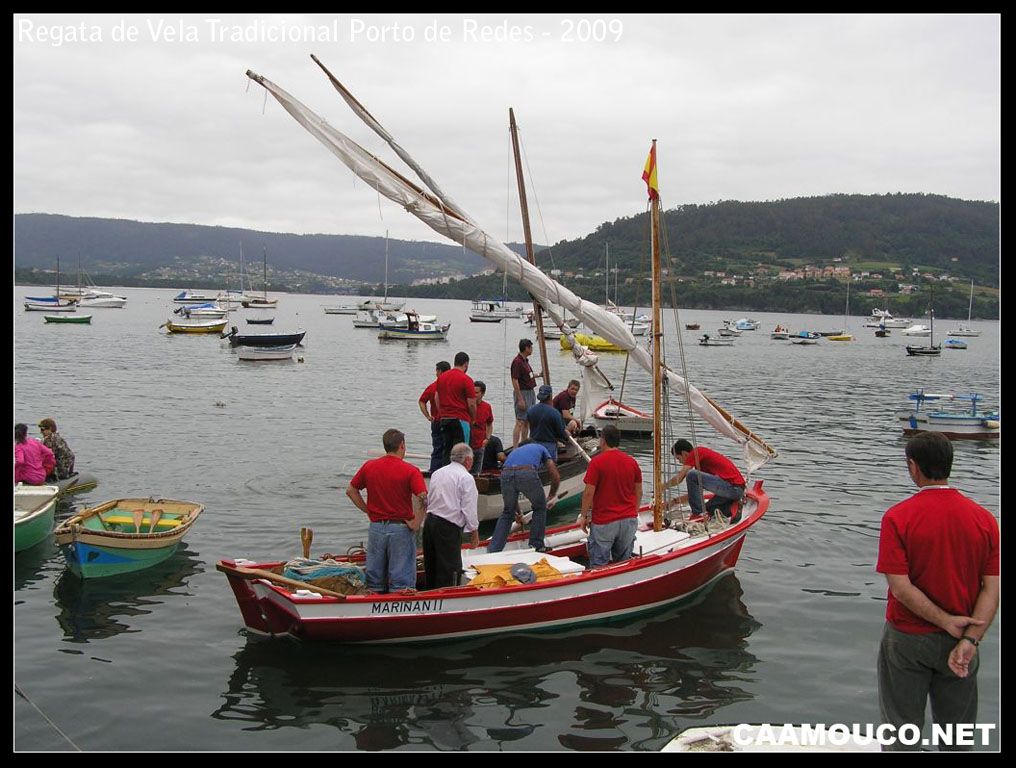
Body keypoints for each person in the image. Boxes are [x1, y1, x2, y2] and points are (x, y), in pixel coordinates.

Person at [876, 431, 999, 751]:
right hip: (962, 641)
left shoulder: (897, 518)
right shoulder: (985, 520)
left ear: (913, 467)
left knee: (903, 733)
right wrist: (970, 638)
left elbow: (900, 588)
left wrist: (944, 620)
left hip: (907, 639)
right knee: (958, 738)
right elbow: (992, 588)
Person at [346, 429, 428, 594]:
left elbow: (351, 490)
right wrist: (416, 523)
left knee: (374, 581)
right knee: (401, 582)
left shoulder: (370, 466)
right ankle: (400, 609)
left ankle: (374, 606)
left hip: (376, 527)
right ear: (402, 445)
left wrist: (368, 510)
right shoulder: (411, 470)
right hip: (400, 528)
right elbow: (423, 498)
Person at [579, 425, 643, 568]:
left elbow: (588, 493)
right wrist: (634, 511)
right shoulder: (631, 462)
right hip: (628, 520)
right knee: (623, 564)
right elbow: (638, 491)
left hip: (604, 522)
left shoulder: (597, 462)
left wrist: (584, 516)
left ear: (603, 440)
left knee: (598, 565)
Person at [423, 442, 480, 589]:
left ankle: (430, 593)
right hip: (447, 526)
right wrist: (474, 531)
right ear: (468, 460)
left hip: (430, 523)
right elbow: (469, 507)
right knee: (449, 569)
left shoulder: (437, 473)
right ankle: (446, 597)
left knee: (431, 565)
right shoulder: (465, 477)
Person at [487, 440, 560, 553]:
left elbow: (513, 485)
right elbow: (554, 474)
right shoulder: (541, 448)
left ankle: (494, 549)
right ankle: (537, 545)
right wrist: (551, 495)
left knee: (507, 512)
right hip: (526, 472)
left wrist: (518, 512)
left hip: (505, 473)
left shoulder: (515, 452)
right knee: (540, 508)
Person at [667, 439, 745, 521]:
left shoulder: (696, 452)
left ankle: (698, 514)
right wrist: (674, 501)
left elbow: (679, 478)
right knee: (709, 508)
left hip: (734, 488)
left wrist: (662, 487)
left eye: (679, 458)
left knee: (691, 474)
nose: (680, 462)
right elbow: (695, 494)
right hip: (733, 490)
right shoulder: (700, 467)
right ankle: (733, 508)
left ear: (684, 454)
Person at [435, 352, 477, 468]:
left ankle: (445, 474)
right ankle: (460, 477)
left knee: (447, 450)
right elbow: (472, 404)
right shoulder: (466, 379)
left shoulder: (442, 377)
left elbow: (437, 398)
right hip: (460, 419)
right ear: (466, 364)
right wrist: (473, 418)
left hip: (445, 418)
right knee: (462, 452)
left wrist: (442, 412)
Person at [418, 361, 451, 473]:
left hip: (436, 421)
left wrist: (428, 416)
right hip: (450, 420)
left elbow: (422, 401)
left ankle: (434, 471)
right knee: (449, 448)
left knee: (437, 448)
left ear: (440, 371)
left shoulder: (433, 386)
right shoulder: (451, 386)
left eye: (436, 371)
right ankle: (446, 471)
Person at [526, 384, 569, 460]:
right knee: (550, 465)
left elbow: (529, 425)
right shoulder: (554, 413)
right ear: (550, 396)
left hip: (534, 444)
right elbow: (561, 433)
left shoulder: (530, 410)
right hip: (549, 446)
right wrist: (566, 435)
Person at [510, 339, 539, 448]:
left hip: (530, 392)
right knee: (520, 420)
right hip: (523, 392)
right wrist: (520, 398)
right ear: (526, 348)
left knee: (527, 420)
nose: (532, 349)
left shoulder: (525, 361)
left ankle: (524, 443)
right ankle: (515, 447)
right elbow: (515, 379)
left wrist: (538, 375)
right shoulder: (517, 362)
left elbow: (528, 376)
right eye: (531, 347)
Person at [38, 417, 75, 481]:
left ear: (50, 429)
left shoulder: (50, 440)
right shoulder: (57, 437)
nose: (41, 432)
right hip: (68, 465)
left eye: (42, 430)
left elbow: (48, 457)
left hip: (61, 469)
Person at [470, 380, 494, 475]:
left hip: (480, 444)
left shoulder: (487, 407)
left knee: (477, 472)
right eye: (473, 392)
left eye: (477, 393)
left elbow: (489, 423)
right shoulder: (467, 405)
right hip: (468, 444)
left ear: (482, 393)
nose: (474, 395)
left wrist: (487, 438)